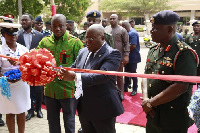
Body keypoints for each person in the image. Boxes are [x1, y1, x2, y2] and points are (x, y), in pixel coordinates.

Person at [58, 24, 124, 133]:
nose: (87, 41)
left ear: (102, 38)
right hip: (84, 106)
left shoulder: (112, 54)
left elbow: (103, 76)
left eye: (91, 38)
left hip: (103, 108)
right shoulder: (83, 51)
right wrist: (62, 72)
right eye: (86, 38)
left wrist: (75, 76)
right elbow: (74, 68)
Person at [141, 10, 198, 133]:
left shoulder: (183, 53)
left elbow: (181, 86)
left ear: (169, 29)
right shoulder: (153, 49)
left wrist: (151, 102)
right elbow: (145, 76)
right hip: (152, 113)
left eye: (155, 28)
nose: (151, 31)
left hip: (172, 117)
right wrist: (146, 100)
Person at [37, 14, 83, 133]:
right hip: (50, 90)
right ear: (50, 27)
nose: (57, 29)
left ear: (66, 26)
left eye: (61, 26)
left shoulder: (75, 43)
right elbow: (36, 59)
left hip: (68, 90)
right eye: (54, 26)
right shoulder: (44, 42)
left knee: (69, 121)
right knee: (52, 122)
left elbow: (82, 65)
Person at [0, 22, 31, 133]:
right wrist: (5, 78)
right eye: (9, 34)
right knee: (10, 112)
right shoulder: (0, 50)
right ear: (3, 34)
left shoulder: (24, 49)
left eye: (15, 34)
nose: (13, 37)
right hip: (6, 85)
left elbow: (30, 67)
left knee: (21, 111)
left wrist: (20, 64)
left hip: (21, 84)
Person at [17, 13, 44, 121]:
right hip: (24, 67)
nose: (23, 22)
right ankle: (30, 111)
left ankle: (39, 109)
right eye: (22, 20)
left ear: (32, 22)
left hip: (37, 67)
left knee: (38, 89)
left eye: (25, 20)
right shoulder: (18, 35)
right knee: (27, 89)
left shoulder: (39, 35)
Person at [105, 14, 130, 100]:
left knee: (119, 76)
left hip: (119, 57)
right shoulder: (106, 29)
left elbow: (126, 43)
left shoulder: (122, 30)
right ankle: (111, 92)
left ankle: (120, 93)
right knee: (108, 76)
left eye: (114, 19)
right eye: (110, 19)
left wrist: (126, 55)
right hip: (107, 57)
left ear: (117, 20)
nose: (112, 20)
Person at [122, 21, 141, 96]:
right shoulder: (128, 32)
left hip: (133, 57)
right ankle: (125, 87)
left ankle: (135, 89)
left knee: (133, 73)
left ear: (124, 27)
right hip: (128, 56)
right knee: (126, 72)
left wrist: (125, 51)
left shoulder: (132, 33)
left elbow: (133, 46)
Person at [185, 20, 200, 90]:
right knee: (191, 78)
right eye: (195, 26)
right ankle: (190, 92)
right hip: (191, 61)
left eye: (198, 26)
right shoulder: (189, 37)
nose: (196, 27)